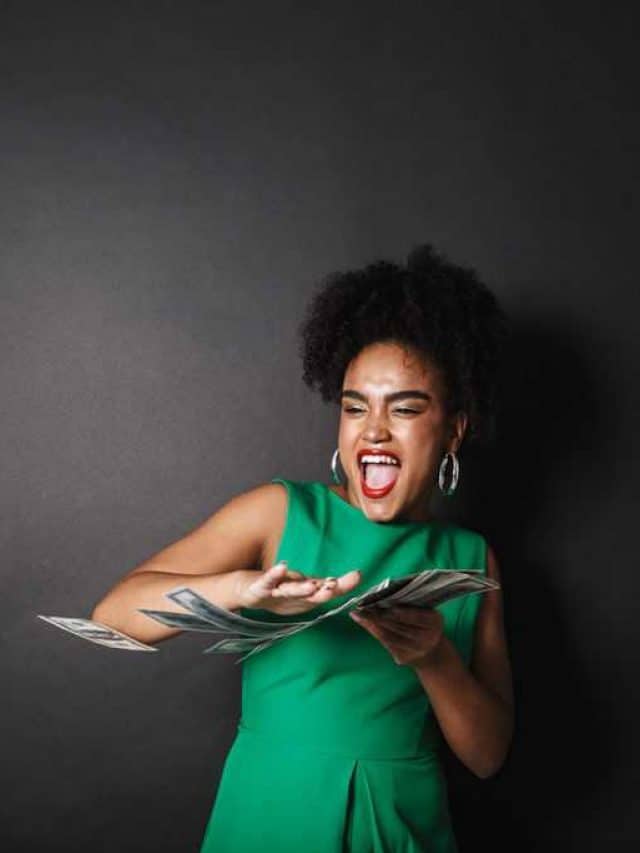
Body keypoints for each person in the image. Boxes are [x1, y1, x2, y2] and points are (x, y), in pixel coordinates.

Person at [91, 244, 514, 852]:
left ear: (454, 429)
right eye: (354, 407)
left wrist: (434, 657)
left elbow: (488, 756)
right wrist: (237, 590)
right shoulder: (280, 512)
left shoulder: (473, 560)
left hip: (399, 827)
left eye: (405, 409)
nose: (373, 430)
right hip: (271, 813)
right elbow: (115, 616)